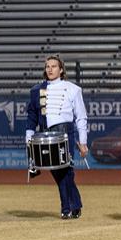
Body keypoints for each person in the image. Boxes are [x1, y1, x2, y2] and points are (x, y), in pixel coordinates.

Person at [25, 55, 88, 219]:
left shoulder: (73, 89)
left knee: (65, 170)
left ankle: (66, 208)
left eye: (54, 66)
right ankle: (75, 205)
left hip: (65, 132)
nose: (50, 69)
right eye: (47, 66)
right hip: (45, 133)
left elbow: (81, 117)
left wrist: (83, 141)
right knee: (58, 171)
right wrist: (29, 135)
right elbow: (32, 115)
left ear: (61, 70)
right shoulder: (36, 90)